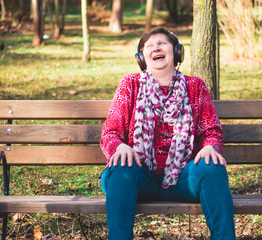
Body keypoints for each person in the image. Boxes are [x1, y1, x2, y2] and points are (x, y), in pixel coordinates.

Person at [100, 27, 235, 240]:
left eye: (162, 43)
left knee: (212, 167)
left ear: (176, 52)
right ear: (141, 58)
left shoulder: (196, 87)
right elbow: (110, 133)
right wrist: (120, 147)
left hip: (182, 178)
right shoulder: (130, 84)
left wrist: (210, 146)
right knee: (120, 167)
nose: (156, 48)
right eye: (149, 46)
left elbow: (211, 132)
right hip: (138, 177)